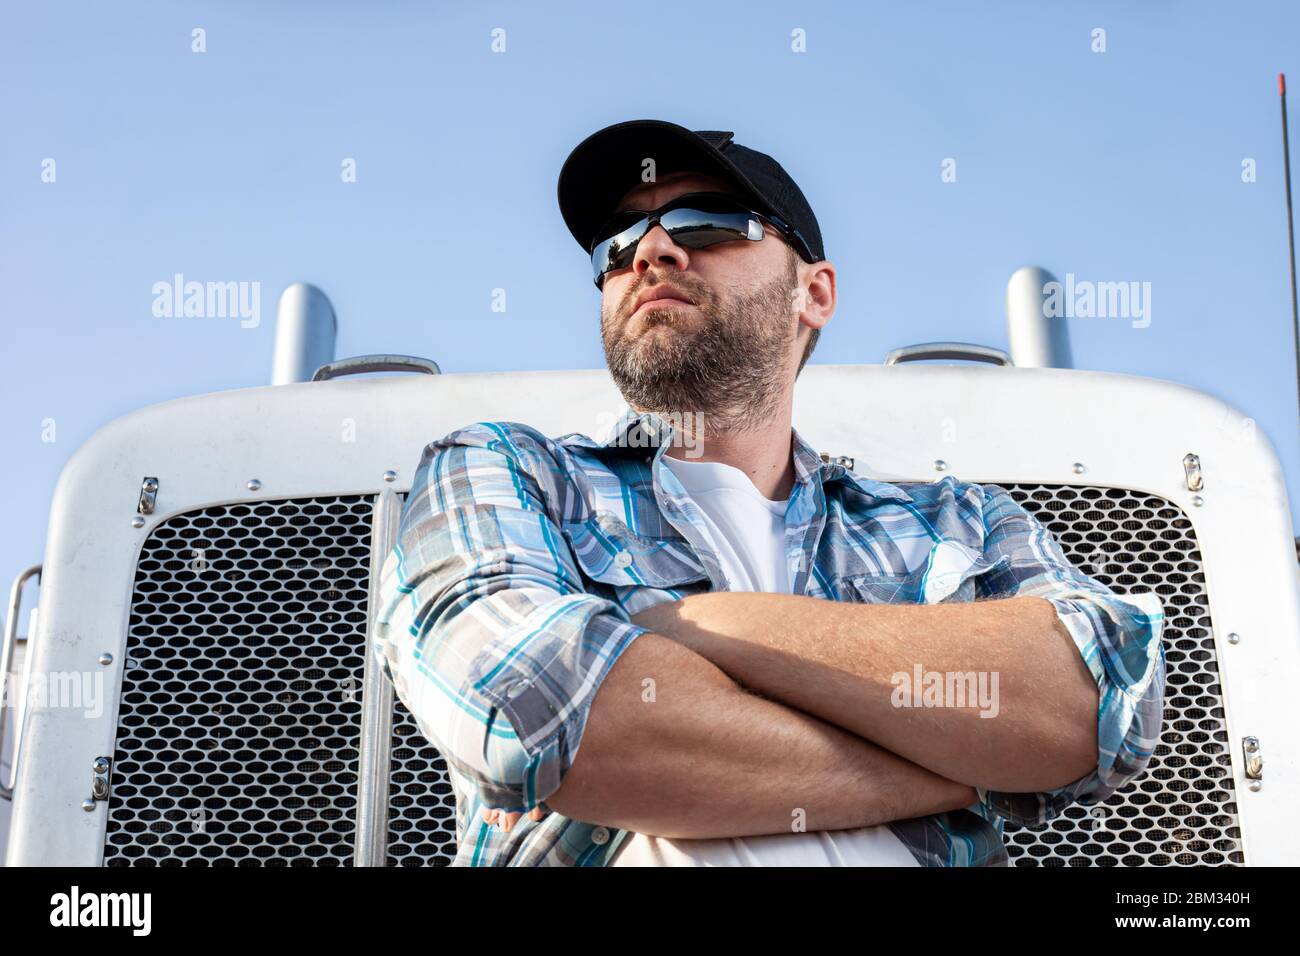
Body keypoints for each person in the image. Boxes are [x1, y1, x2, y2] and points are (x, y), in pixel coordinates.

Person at [372, 119, 1167, 866]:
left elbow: (1096, 709)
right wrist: (977, 768)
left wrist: (697, 627)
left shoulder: (959, 523)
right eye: (616, 247)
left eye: (706, 224)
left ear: (813, 294)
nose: (649, 252)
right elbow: (539, 722)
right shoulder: (504, 472)